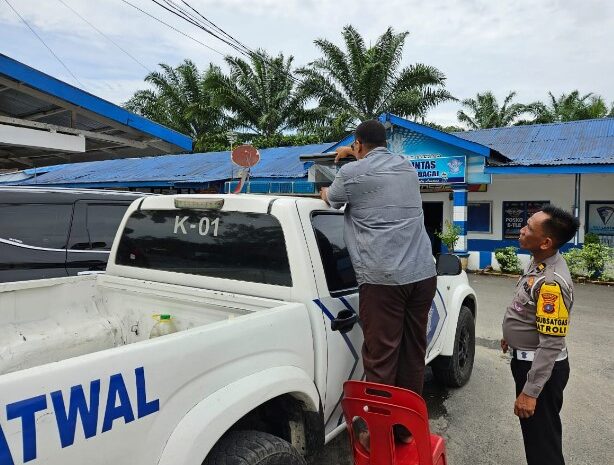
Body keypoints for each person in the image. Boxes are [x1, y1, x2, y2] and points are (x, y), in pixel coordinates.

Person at [320, 120, 436, 444]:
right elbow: (374, 170)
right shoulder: (407, 168)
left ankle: (380, 434)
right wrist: (355, 154)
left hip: (384, 280)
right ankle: (405, 430)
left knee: (382, 358)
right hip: (422, 275)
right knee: (412, 354)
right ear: (385, 143)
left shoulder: (351, 174)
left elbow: (333, 197)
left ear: (357, 145)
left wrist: (331, 182)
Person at [501, 205, 579, 465]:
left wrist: (531, 392)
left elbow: (551, 344)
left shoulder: (550, 283)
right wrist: (511, 336)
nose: (522, 230)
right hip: (528, 360)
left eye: (529, 228)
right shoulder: (539, 261)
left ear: (546, 242)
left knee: (542, 446)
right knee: (537, 439)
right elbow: (527, 310)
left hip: (538, 369)